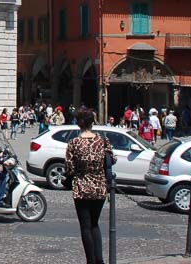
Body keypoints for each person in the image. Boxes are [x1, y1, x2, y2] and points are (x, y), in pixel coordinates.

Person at [66, 108, 113, 264]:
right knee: (95, 224)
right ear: (92, 123)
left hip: (81, 188)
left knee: (85, 226)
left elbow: (69, 168)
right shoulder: (102, 140)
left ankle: (90, 261)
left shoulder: (74, 143)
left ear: (79, 124)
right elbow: (112, 160)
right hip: (99, 187)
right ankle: (99, 260)